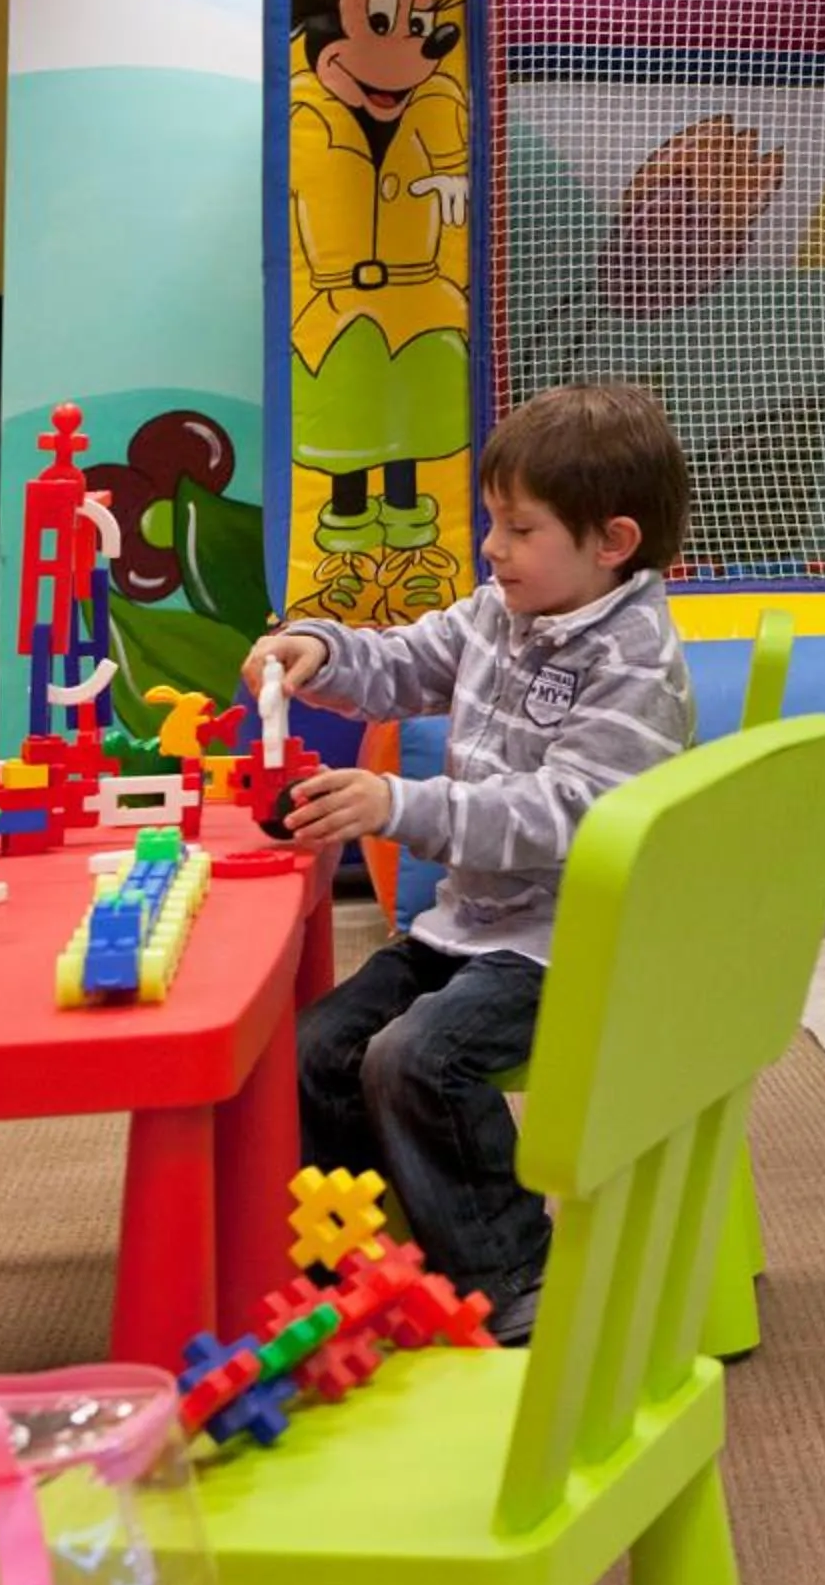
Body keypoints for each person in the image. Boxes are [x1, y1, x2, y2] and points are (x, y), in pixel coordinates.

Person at [242, 382, 693, 1343]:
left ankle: (515, 1281)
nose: (492, 548)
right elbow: (403, 662)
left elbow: (566, 812)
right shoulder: (500, 611)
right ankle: (364, 1260)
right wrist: (316, 648)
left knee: (419, 1059)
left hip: (577, 941)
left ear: (610, 543)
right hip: (474, 928)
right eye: (493, 522)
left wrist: (400, 807)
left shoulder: (635, 663)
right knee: (313, 1049)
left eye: (518, 529)